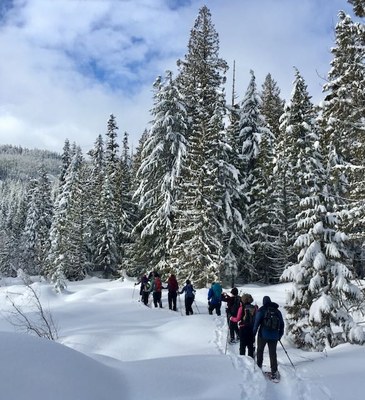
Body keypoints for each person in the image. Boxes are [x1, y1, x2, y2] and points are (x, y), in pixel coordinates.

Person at [253, 296, 284, 380]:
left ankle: (259, 367)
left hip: (263, 335)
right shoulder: (277, 311)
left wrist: (254, 333)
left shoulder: (262, 310)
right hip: (274, 336)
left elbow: (256, 323)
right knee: (273, 353)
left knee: (260, 350)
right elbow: (282, 324)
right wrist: (279, 336)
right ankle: (274, 371)